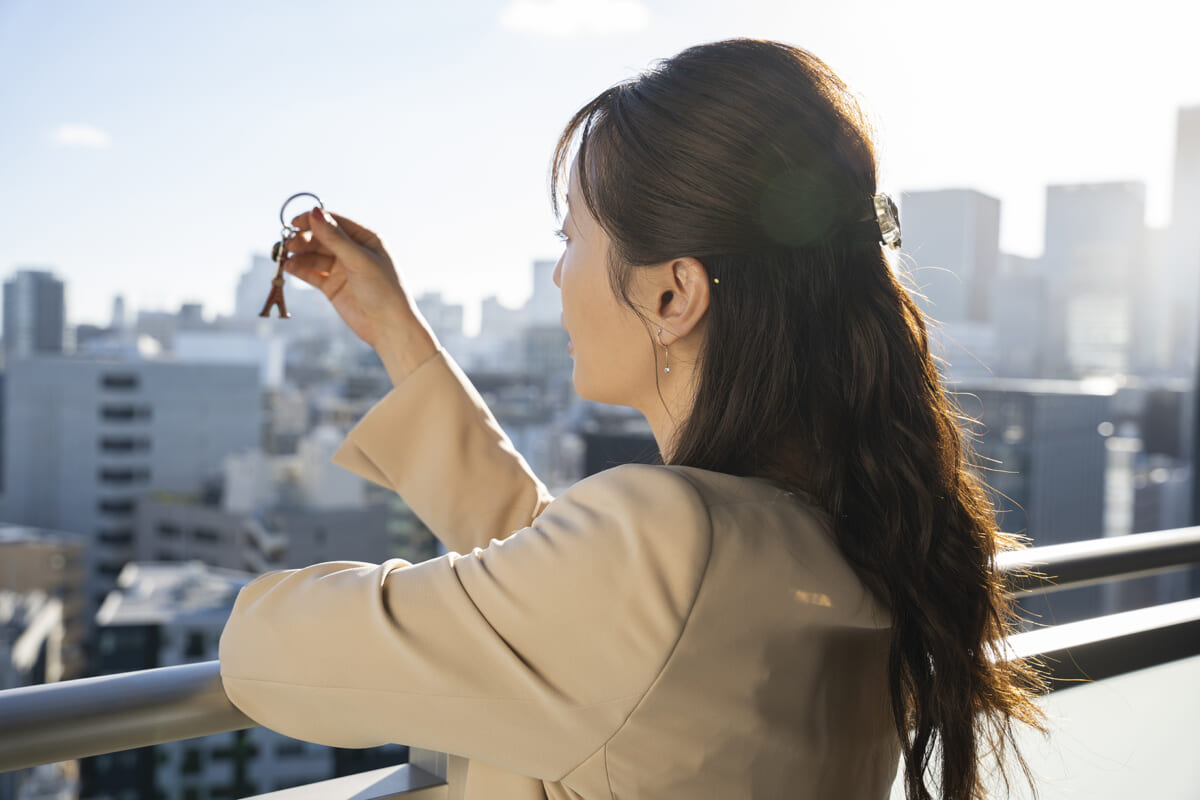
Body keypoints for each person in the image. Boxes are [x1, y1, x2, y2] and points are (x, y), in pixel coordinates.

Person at [218, 38, 1044, 800]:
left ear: (671, 293)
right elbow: (578, 611)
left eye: (569, 235)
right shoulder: (848, 528)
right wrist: (398, 333)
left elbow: (265, 655)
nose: (556, 276)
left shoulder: (663, 548)